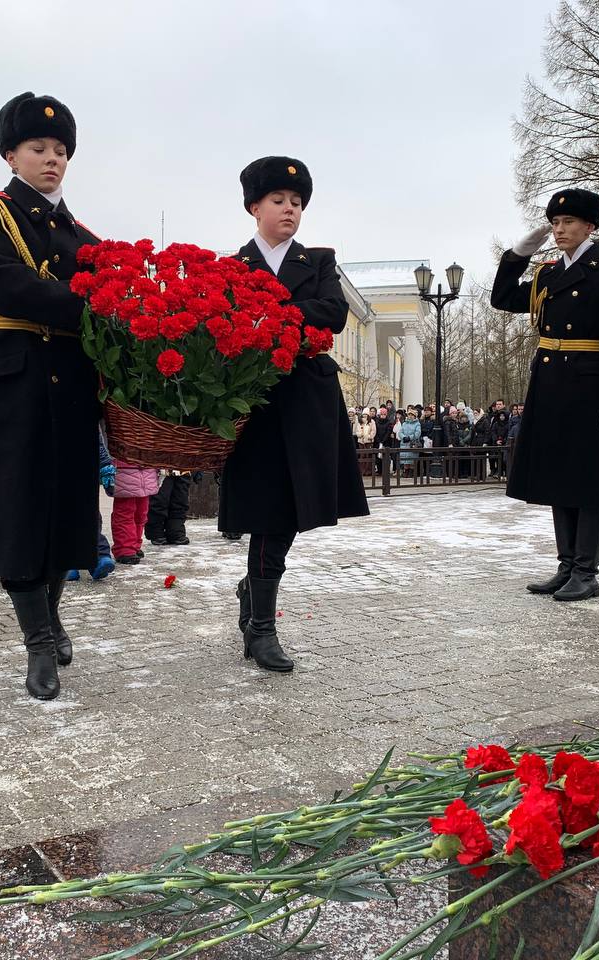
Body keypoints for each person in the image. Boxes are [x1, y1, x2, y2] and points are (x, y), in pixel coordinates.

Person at [0, 91, 102, 700]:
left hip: (70, 377)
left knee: (63, 508)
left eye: (61, 150)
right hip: (12, 376)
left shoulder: (83, 234)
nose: (52, 159)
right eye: (38, 148)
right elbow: (1, 283)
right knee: (16, 507)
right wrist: (89, 302)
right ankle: (38, 642)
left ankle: (52, 616)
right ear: (10, 153)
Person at [219, 156, 368, 672]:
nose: (289, 210)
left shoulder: (319, 260)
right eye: (279, 201)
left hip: (306, 399)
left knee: (290, 513)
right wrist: (286, 317)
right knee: (268, 511)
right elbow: (224, 323)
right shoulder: (232, 267)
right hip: (252, 402)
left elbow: (333, 313)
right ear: (254, 206)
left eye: (297, 202)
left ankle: (252, 592)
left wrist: (266, 314)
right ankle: (261, 627)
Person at [490, 187, 599, 601]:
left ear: (590, 225)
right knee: (560, 474)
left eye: (568, 222)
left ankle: (586, 570)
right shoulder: (549, 273)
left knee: (587, 477)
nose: (559, 230)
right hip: (550, 380)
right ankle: (566, 563)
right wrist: (516, 257)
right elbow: (502, 299)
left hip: (589, 383)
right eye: (555, 223)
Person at [68, 428, 116, 582]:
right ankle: (67, 563)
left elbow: (95, 437)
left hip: (83, 469)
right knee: (62, 518)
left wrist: (104, 464)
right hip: (53, 471)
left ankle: (99, 557)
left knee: (89, 515)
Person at [111, 460, 159, 563]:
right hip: (125, 469)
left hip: (147, 471)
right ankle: (124, 549)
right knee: (125, 513)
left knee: (141, 514)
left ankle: (134, 545)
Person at [147, 471, 193, 546]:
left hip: (183, 468)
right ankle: (156, 534)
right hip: (162, 469)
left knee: (180, 502)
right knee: (159, 501)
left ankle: (175, 532)